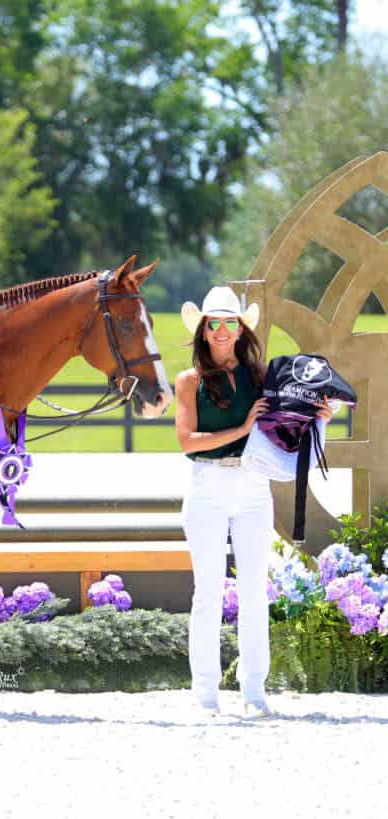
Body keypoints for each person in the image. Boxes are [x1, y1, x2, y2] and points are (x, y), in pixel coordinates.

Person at [175, 286, 330, 717]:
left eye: (230, 322)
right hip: (207, 486)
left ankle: (254, 691)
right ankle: (204, 692)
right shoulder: (189, 382)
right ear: (204, 331)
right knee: (207, 592)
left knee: (253, 592)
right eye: (214, 324)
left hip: (253, 489)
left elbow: (288, 429)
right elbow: (188, 442)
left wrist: (317, 419)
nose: (222, 331)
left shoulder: (262, 377)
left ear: (241, 328)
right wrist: (243, 429)